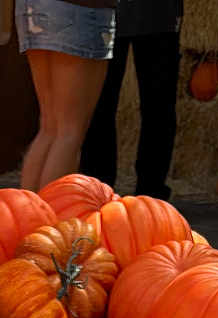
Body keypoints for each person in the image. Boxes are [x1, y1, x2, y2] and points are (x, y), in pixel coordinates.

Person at [80, 0, 182, 199]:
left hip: (150, 14)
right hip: (123, 12)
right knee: (155, 104)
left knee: (155, 104)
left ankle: (140, 190)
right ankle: (145, 192)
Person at [15, 0, 116, 192]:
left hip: (33, 8)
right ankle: (52, 214)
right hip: (80, 10)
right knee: (69, 132)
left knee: (49, 127)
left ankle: (28, 214)